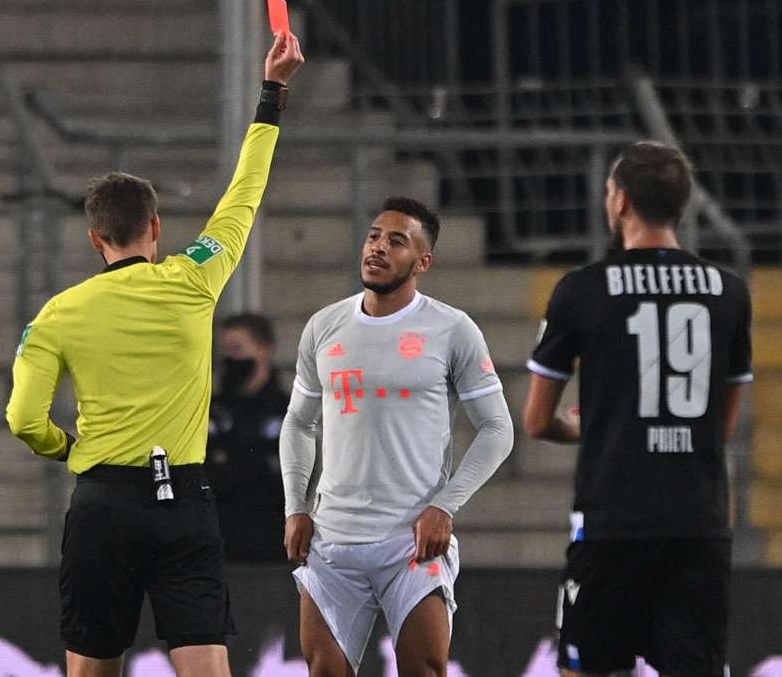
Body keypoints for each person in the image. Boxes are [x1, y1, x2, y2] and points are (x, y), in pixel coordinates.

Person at [5, 32, 304, 677]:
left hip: (102, 502)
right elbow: (244, 193)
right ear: (157, 228)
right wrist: (271, 92)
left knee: (91, 668)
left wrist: (71, 448)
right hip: (184, 501)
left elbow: (23, 420)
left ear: (94, 239)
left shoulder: (58, 314)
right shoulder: (192, 280)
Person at [523, 142, 752, 677]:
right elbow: (722, 426)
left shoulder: (582, 290)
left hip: (612, 522)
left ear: (620, 201)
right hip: (699, 521)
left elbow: (536, 421)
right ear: (681, 205)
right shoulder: (730, 293)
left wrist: (597, 428)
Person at [280, 197, 515, 677]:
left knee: (424, 670)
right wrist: (295, 506)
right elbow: (299, 422)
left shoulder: (452, 329)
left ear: (423, 261)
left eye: (396, 240)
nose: (378, 248)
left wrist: (444, 506)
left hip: (411, 541)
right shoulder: (324, 326)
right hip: (333, 540)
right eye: (373, 236)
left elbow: (498, 429)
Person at [207, 313, 289, 562]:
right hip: (222, 540)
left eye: (238, 349)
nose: (232, 359)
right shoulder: (213, 410)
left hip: (273, 541)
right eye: (226, 351)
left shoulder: (288, 410)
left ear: (265, 350)